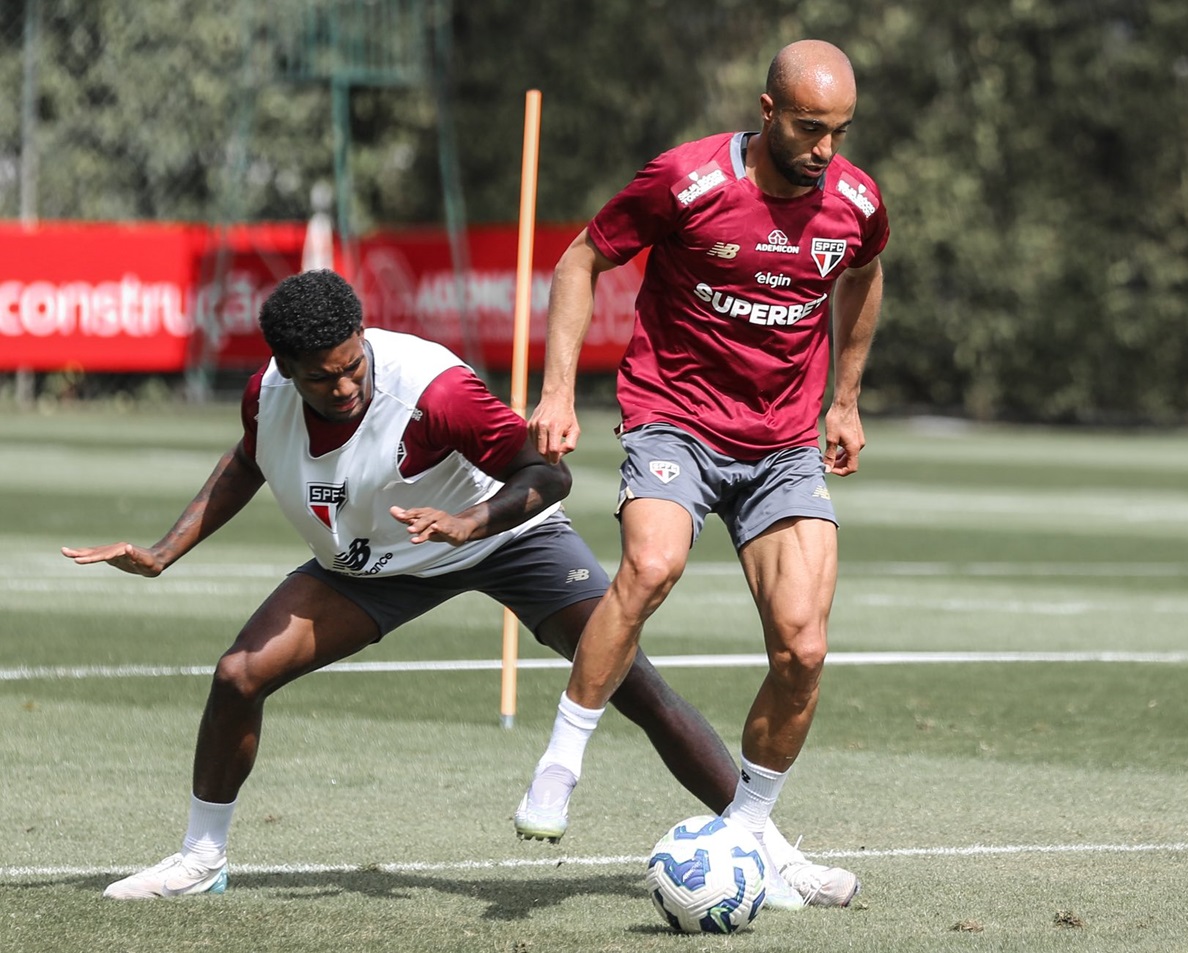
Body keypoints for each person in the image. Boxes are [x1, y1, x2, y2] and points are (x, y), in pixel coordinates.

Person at [63, 268, 820, 905]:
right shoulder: (266, 395)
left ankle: (764, 848)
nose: (345, 385)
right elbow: (248, 459)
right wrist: (165, 551)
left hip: (508, 539)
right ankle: (202, 858)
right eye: (322, 377)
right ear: (286, 369)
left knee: (636, 684)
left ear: (363, 336)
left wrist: (470, 523)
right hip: (375, 565)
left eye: (353, 365)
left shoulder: (435, 391)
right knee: (238, 674)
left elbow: (548, 475)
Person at [515, 39, 888, 909]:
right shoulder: (687, 180)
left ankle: (749, 830)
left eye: (839, 131)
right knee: (652, 565)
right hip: (673, 417)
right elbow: (580, 260)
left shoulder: (857, 201)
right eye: (809, 128)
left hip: (783, 442)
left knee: (803, 647)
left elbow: (864, 274)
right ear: (768, 112)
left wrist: (845, 399)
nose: (825, 149)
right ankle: (562, 759)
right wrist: (557, 392)